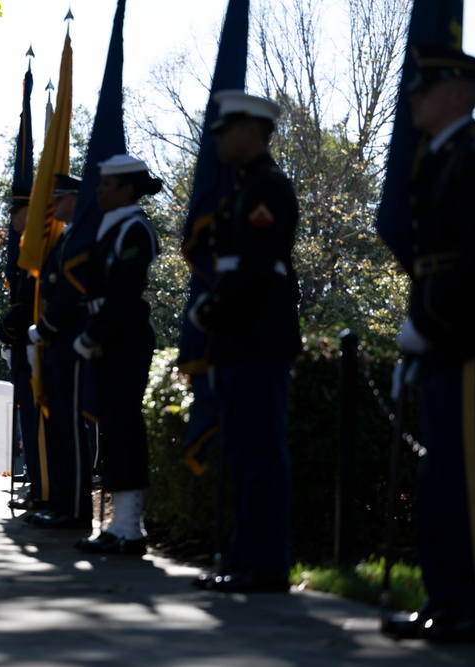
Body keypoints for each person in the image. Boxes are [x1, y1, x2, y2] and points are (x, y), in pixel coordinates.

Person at [381, 45, 475, 643]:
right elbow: (428, 265)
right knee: (441, 480)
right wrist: (417, 342)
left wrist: (429, 326)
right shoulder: (434, 160)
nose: (413, 99)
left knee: (472, 481)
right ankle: (445, 597)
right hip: (440, 343)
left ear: (461, 93)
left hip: (472, 342)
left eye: (424, 89)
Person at [187, 92, 301, 589]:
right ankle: (244, 560)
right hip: (238, 338)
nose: (217, 139)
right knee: (241, 454)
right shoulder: (240, 191)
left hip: (257, 334)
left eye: (225, 129)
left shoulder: (267, 187)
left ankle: (266, 565)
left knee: (260, 455)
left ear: (254, 130)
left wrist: (211, 309)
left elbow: (256, 267)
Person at [67, 157, 161, 554]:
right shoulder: (113, 227)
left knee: (124, 429)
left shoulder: (135, 229)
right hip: (109, 335)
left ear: (125, 188)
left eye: (106, 185)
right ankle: (118, 525)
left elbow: (123, 292)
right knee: (113, 431)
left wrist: (95, 333)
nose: (99, 191)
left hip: (123, 336)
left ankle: (130, 527)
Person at [22, 173, 93, 530]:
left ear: (76, 198)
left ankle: (76, 509)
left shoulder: (82, 236)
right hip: (57, 344)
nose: (54, 206)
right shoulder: (67, 237)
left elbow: (70, 291)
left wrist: (46, 328)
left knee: (71, 430)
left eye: (61, 198)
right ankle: (65, 504)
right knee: (61, 429)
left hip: (69, 340)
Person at [0, 191, 44, 510]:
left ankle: (46, 487)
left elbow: (31, 302)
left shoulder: (39, 250)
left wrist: (6, 331)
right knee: (30, 419)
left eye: (18, 211)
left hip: (38, 345)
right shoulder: (28, 250)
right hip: (26, 345)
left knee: (40, 420)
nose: (12, 218)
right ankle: (39, 482)